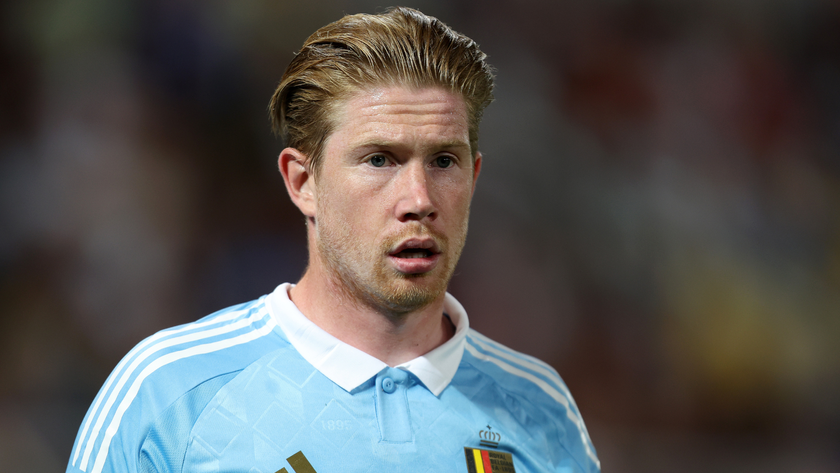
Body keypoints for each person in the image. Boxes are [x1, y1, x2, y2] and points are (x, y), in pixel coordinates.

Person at [66, 7, 599, 473]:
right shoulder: (168, 394)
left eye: (443, 161)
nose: (419, 198)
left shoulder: (542, 409)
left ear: (474, 177)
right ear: (303, 183)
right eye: (379, 160)